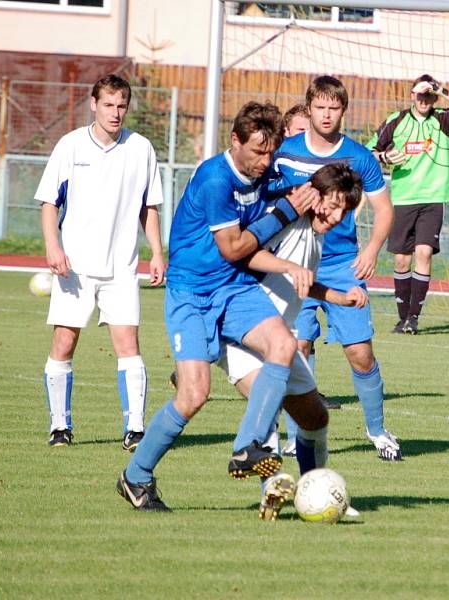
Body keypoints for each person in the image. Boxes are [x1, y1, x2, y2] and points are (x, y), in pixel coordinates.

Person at [116, 101, 319, 512]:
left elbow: (305, 180)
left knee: (284, 345)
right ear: (235, 140)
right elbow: (232, 247)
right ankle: (135, 476)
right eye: (257, 151)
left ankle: (248, 447)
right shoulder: (214, 178)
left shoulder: (270, 171)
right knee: (193, 395)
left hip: (236, 289)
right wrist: (286, 210)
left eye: (270, 152)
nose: (265, 161)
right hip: (191, 294)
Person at [220, 163, 366, 519]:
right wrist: (289, 267)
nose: (333, 217)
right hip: (244, 332)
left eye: (343, 212)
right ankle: (269, 490)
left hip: (280, 339)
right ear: (314, 194)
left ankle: (317, 489)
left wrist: (337, 296)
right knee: (266, 405)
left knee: (315, 419)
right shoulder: (284, 216)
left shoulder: (316, 236)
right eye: (331, 206)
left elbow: (302, 281)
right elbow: (246, 254)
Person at [269, 75, 402, 462]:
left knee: (360, 353)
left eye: (334, 108)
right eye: (320, 107)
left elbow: (384, 209)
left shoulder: (359, 157)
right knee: (298, 346)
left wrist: (374, 249)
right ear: (308, 109)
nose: (327, 115)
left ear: (343, 110)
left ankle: (377, 430)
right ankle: (297, 435)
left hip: (343, 264)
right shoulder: (284, 153)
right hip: (295, 262)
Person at [36, 74, 165, 452]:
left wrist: (157, 252)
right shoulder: (70, 145)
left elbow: (149, 207)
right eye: (108, 104)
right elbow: (49, 203)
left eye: (122, 105)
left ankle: (136, 429)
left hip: (121, 267)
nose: (116, 112)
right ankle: (60, 426)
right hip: (74, 267)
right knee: (64, 341)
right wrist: (52, 247)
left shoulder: (141, 148)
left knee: (129, 343)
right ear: (93, 104)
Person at [368, 74, 449, 334]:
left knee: (424, 254)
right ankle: (402, 317)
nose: (424, 100)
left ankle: (413, 319)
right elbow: (369, 152)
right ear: (412, 96)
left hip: (433, 198)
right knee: (401, 261)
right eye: (420, 95)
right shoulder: (395, 122)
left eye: (429, 95)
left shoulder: (442, 119)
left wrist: (441, 90)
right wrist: (384, 156)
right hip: (404, 199)